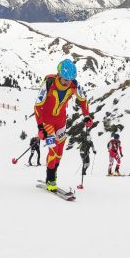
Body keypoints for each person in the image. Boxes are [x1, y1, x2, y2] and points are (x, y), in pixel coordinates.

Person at [34, 58, 92, 191]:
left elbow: (83, 100)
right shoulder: (48, 84)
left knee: (59, 153)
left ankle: (53, 174)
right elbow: (37, 106)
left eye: (70, 79)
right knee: (53, 151)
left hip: (61, 122)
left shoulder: (74, 85)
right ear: (59, 75)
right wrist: (40, 127)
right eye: (65, 79)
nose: (67, 82)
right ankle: (50, 179)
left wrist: (87, 115)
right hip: (47, 122)